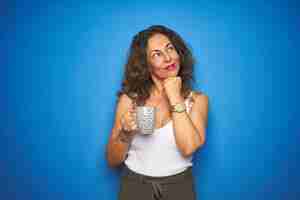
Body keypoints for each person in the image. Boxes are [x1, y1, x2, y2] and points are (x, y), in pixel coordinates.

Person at [106, 25, 209, 200]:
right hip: (134, 186)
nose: (168, 58)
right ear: (146, 64)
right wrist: (125, 133)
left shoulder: (197, 100)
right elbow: (112, 160)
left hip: (180, 187)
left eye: (170, 48)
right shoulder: (130, 100)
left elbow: (188, 148)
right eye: (157, 54)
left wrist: (175, 96)